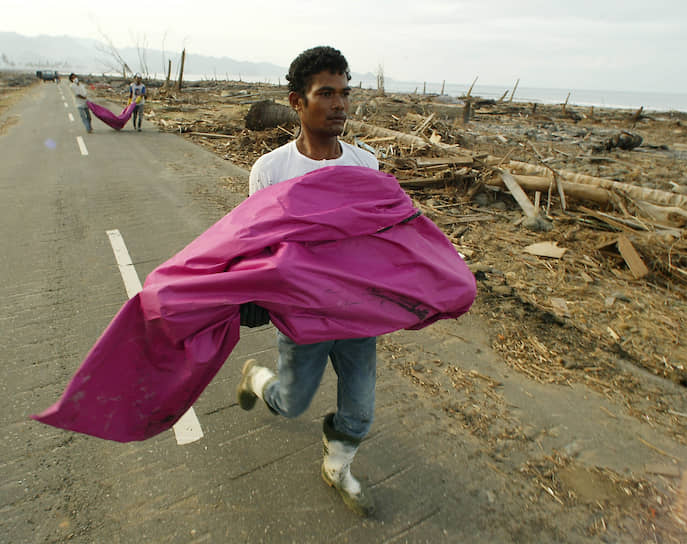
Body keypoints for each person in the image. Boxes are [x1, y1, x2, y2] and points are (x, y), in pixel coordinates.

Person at [238, 46, 379, 517]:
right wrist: (253, 290)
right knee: (290, 404)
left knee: (359, 411)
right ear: (297, 102)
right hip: (301, 315)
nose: (339, 104)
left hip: (357, 313)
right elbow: (255, 239)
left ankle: (337, 467)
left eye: (345, 94)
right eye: (326, 94)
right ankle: (257, 378)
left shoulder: (366, 165)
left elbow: (379, 239)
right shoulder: (271, 170)